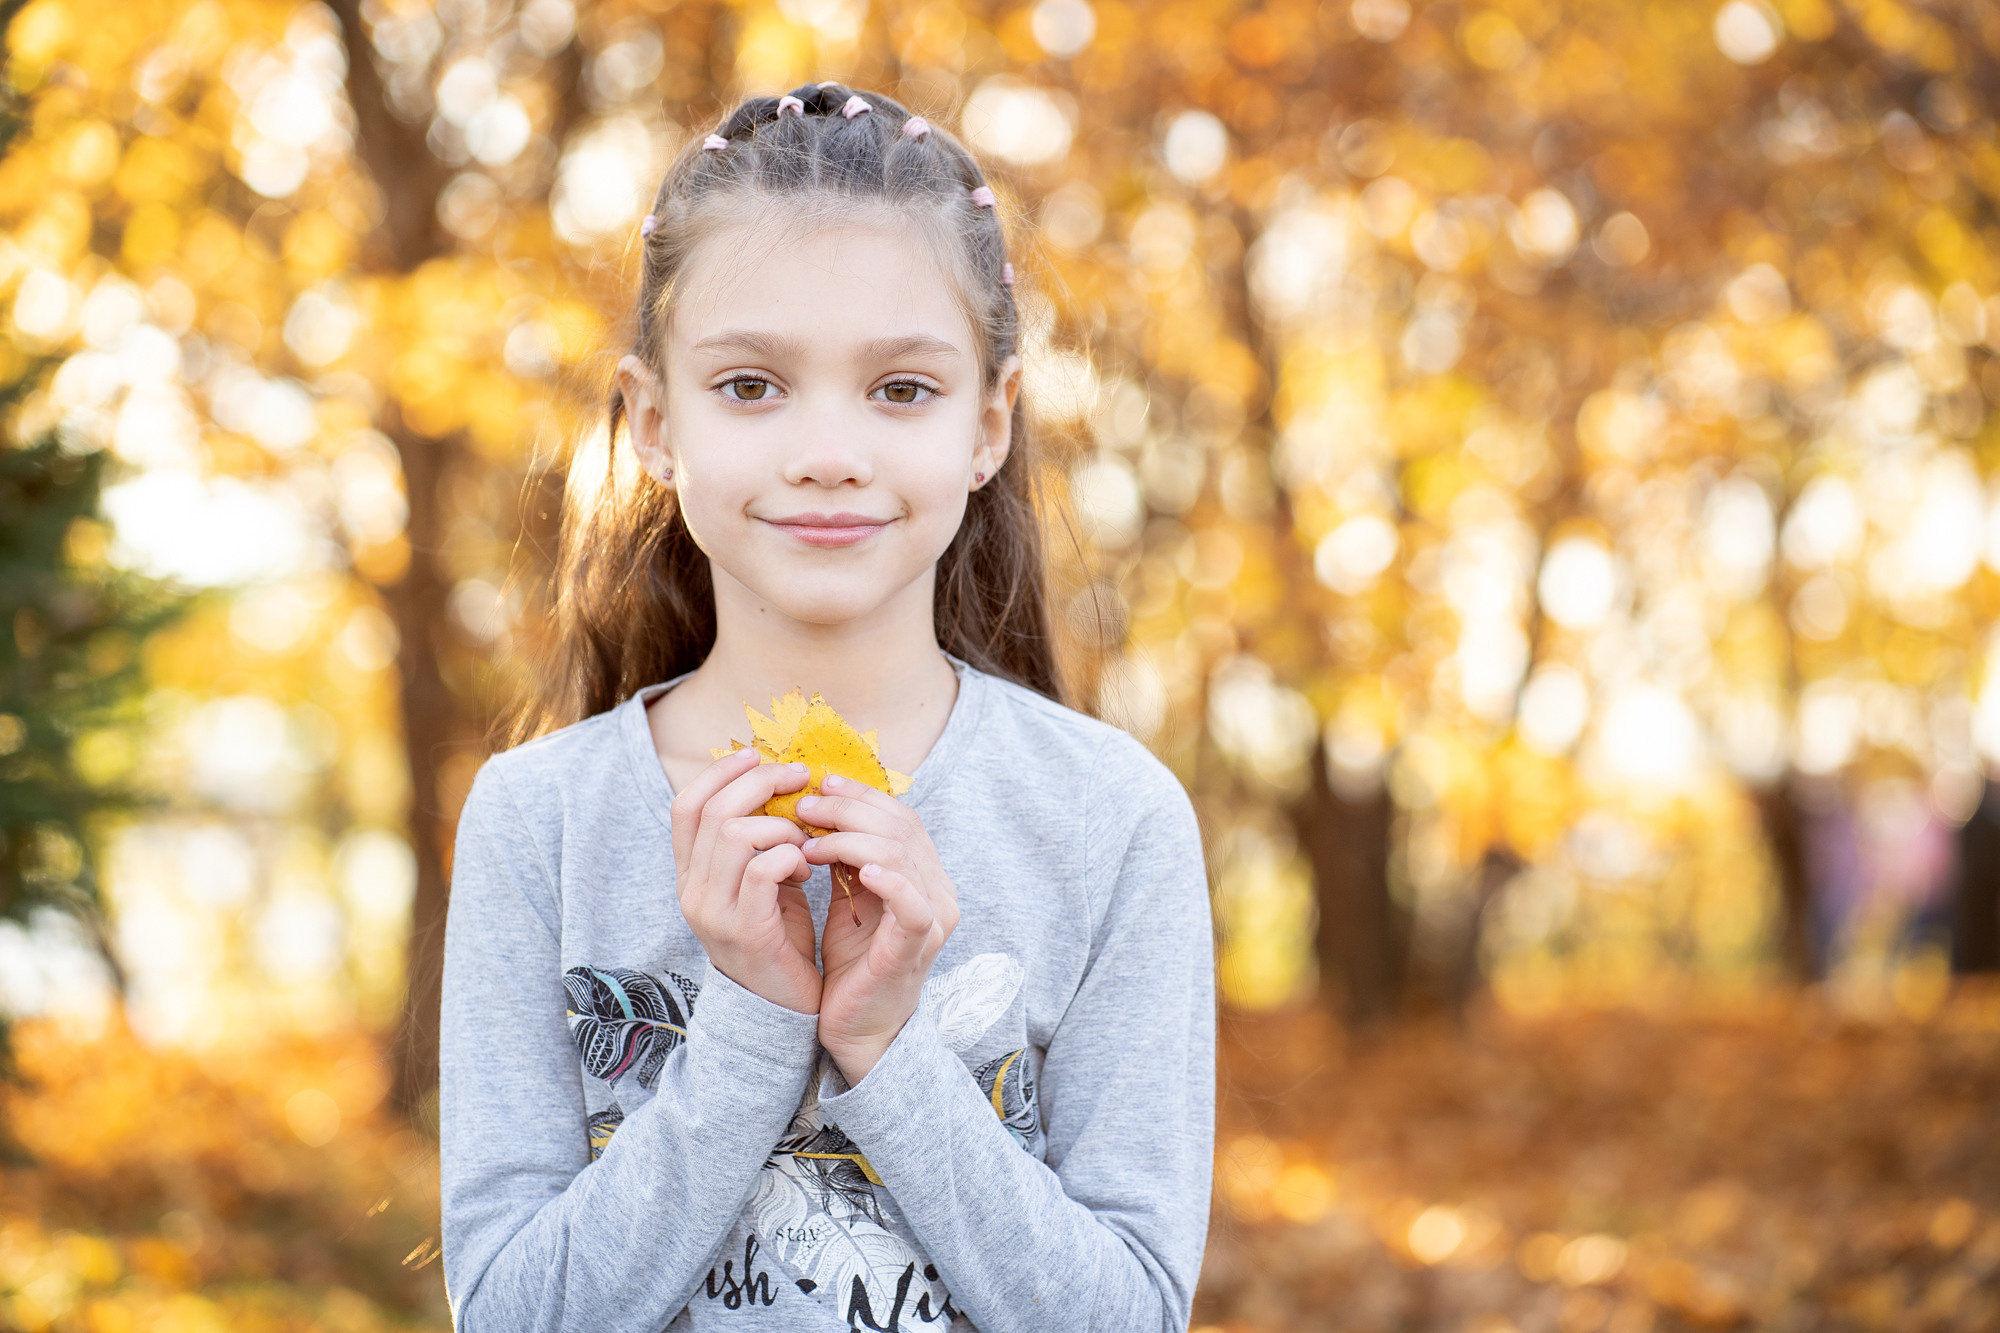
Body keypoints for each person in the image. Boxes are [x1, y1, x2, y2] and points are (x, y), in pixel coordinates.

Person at [437, 81, 1214, 1333]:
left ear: (988, 423)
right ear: (653, 422)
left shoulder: (1108, 821)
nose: (828, 454)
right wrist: (750, 1025)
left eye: (900, 389)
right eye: (751, 385)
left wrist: (890, 1049)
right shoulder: (539, 822)